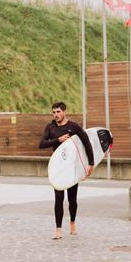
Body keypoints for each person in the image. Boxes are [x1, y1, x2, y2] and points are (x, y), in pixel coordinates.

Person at [39, 102, 94, 240]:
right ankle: (58, 229)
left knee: (72, 199)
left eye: (58, 112)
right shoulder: (50, 127)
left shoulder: (73, 127)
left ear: (64, 112)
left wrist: (91, 163)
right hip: (58, 168)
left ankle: (72, 222)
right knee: (58, 198)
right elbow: (41, 144)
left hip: (72, 167)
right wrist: (58, 139)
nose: (56, 115)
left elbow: (87, 142)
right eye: (54, 112)